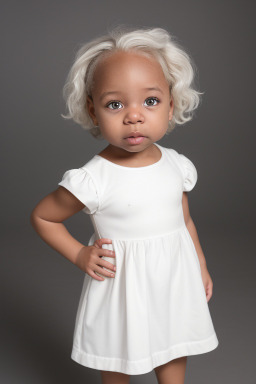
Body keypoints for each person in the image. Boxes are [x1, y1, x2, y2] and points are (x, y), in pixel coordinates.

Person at [30, 26, 219, 384]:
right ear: (94, 111)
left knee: (174, 343)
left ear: (171, 103)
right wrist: (79, 255)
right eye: (115, 104)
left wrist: (200, 263)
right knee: (117, 354)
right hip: (123, 286)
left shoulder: (176, 164)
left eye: (150, 101)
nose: (134, 116)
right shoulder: (93, 178)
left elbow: (183, 219)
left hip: (172, 279)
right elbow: (43, 217)